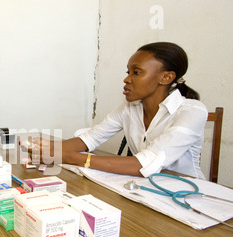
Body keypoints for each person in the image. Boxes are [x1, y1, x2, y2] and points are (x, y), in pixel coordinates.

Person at [27, 42, 208, 179]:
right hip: (146, 190)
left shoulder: (192, 111)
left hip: (187, 195)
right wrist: (46, 149)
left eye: (136, 72)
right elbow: (91, 138)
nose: (126, 79)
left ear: (166, 77)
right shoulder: (130, 107)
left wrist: (68, 157)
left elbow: (145, 163)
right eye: (128, 72)